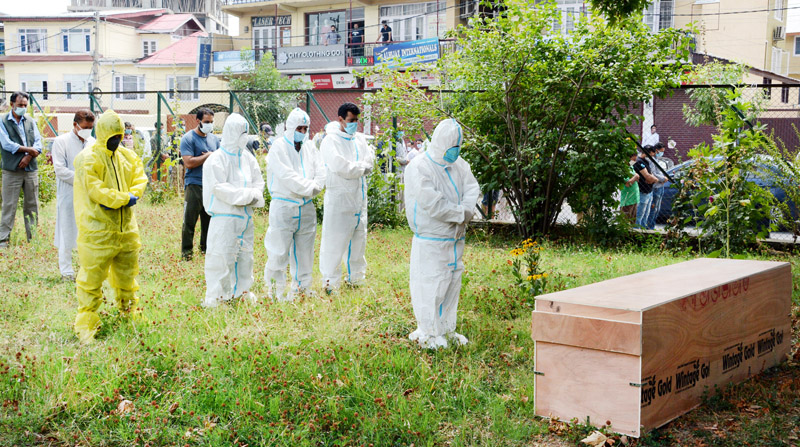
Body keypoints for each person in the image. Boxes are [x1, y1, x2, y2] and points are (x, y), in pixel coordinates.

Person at [404, 119, 480, 349]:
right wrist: (461, 213)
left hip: (455, 238)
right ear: (439, 143)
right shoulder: (419, 167)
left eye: (458, 146)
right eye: (451, 146)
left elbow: (471, 189)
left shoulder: (460, 165)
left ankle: (446, 329)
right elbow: (433, 204)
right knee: (430, 284)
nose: (455, 151)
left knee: (451, 283)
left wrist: (464, 211)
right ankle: (427, 331)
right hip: (432, 239)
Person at [72, 109, 147, 343]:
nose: (116, 140)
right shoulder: (88, 159)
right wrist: (125, 198)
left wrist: (133, 193)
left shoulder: (128, 156)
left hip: (126, 231)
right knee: (91, 279)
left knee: (127, 275)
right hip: (97, 231)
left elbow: (139, 178)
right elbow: (96, 191)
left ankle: (128, 312)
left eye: (119, 135)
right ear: (103, 134)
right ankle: (86, 323)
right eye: (112, 136)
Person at [202, 114, 265, 308]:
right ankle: (218, 298)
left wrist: (254, 194)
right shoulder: (216, 160)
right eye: (241, 133)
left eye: (246, 133)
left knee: (245, 258)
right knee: (222, 258)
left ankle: (241, 292)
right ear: (231, 133)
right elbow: (220, 188)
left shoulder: (247, 157)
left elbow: (258, 181)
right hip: (225, 218)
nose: (245, 137)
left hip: (245, 218)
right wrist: (248, 196)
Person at [264, 108, 325, 301]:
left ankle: (302, 289)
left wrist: (316, 186)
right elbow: (287, 176)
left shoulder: (309, 147)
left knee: (305, 252)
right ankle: (275, 292)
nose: (302, 131)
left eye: (305, 128)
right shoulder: (279, 148)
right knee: (279, 251)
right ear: (289, 127)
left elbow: (321, 169)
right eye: (299, 127)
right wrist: (311, 187)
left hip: (306, 207)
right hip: (284, 206)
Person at [319, 103, 375, 293]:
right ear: (340, 119)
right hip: (340, 200)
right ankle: (330, 283)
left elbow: (370, 161)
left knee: (359, 240)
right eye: (351, 121)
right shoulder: (330, 141)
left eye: (357, 121)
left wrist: (359, 167)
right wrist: (361, 168)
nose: (354, 124)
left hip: (358, 200)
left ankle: (356, 279)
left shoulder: (359, 140)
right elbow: (341, 166)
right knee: (335, 242)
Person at [52, 110, 96, 281]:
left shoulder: (92, 143)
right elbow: (60, 170)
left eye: (91, 127)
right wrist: (82, 180)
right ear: (75, 125)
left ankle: (88, 268)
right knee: (66, 229)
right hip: (68, 192)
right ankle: (66, 271)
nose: (88, 130)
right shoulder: (60, 141)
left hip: (89, 194)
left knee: (89, 229)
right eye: (85, 127)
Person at [0, 91, 42, 248]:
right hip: (12, 170)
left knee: (32, 205)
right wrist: (29, 150)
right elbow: (6, 144)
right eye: (20, 105)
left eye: (25, 105)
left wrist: (28, 156)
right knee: (9, 205)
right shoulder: (2, 121)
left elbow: (39, 143)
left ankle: (33, 238)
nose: (23, 108)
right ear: (12, 104)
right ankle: (3, 240)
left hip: (30, 169)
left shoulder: (30, 121)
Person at [180, 108, 219, 261]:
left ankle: (205, 250)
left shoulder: (214, 140)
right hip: (194, 185)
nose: (209, 125)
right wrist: (209, 155)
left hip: (210, 185)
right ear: (198, 121)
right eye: (206, 122)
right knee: (189, 221)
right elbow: (189, 162)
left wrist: (211, 156)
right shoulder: (188, 138)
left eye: (211, 122)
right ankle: (186, 254)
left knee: (208, 221)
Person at [634, 145, 659, 228]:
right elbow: (647, 176)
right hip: (642, 191)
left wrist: (653, 179)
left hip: (649, 191)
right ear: (648, 153)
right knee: (639, 214)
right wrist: (656, 180)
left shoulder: (646, 162)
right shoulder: (639, 162)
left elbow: (650, 174)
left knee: (646, 214)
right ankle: (636, 230)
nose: (653, 157)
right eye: (652, 154)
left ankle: (643, 230)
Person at [646, 142, 668, 230]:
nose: (662, 153)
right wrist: (662, 179)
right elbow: (653, 173)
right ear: (656, 150)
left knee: (657, 209)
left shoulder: (657, 160)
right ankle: (649, 227)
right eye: (661, 151)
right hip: (656, 186)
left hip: (660, 186)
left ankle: (652, 226)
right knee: (653, 209)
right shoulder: (651, 160)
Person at [620, 150, 640, 222]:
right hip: (627, 200)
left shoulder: (630, 167)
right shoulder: (623, 169)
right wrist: (635, 177)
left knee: (632, 222)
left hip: (634, 199)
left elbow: (636, 179)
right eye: (633, 159)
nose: (634, 161)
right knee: (625, 221)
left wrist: (635, 177)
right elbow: (627, 183)